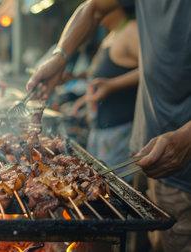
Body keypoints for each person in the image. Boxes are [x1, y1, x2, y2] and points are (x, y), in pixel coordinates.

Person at [26, 0, 191, 251]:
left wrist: (188, 137)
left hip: (184, 174)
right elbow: (92, 8)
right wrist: (60, 57)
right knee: (135, 243)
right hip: (145, 149)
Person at [71, 7, 139, 174]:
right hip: (101, 129)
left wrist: (112, 85)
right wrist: (85, 97)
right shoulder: (111, 34)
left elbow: (151, 69)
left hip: (119, 128)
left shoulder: (131, 29)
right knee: (95, 178)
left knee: (114, 186)